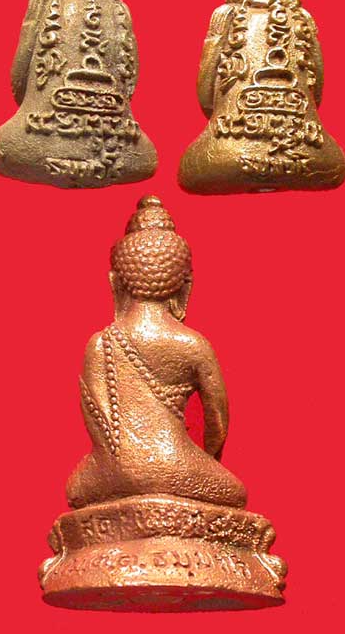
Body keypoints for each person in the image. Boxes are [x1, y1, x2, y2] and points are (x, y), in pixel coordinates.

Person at [66, 195, 247, 509]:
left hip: (111, 475)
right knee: (235, 492)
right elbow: (217, 422)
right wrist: (206, 459)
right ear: (185, 285)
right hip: (175, 464)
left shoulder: (98, 344)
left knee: (75, 490)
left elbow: (98, 424)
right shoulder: (192, 344)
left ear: (114, 282)